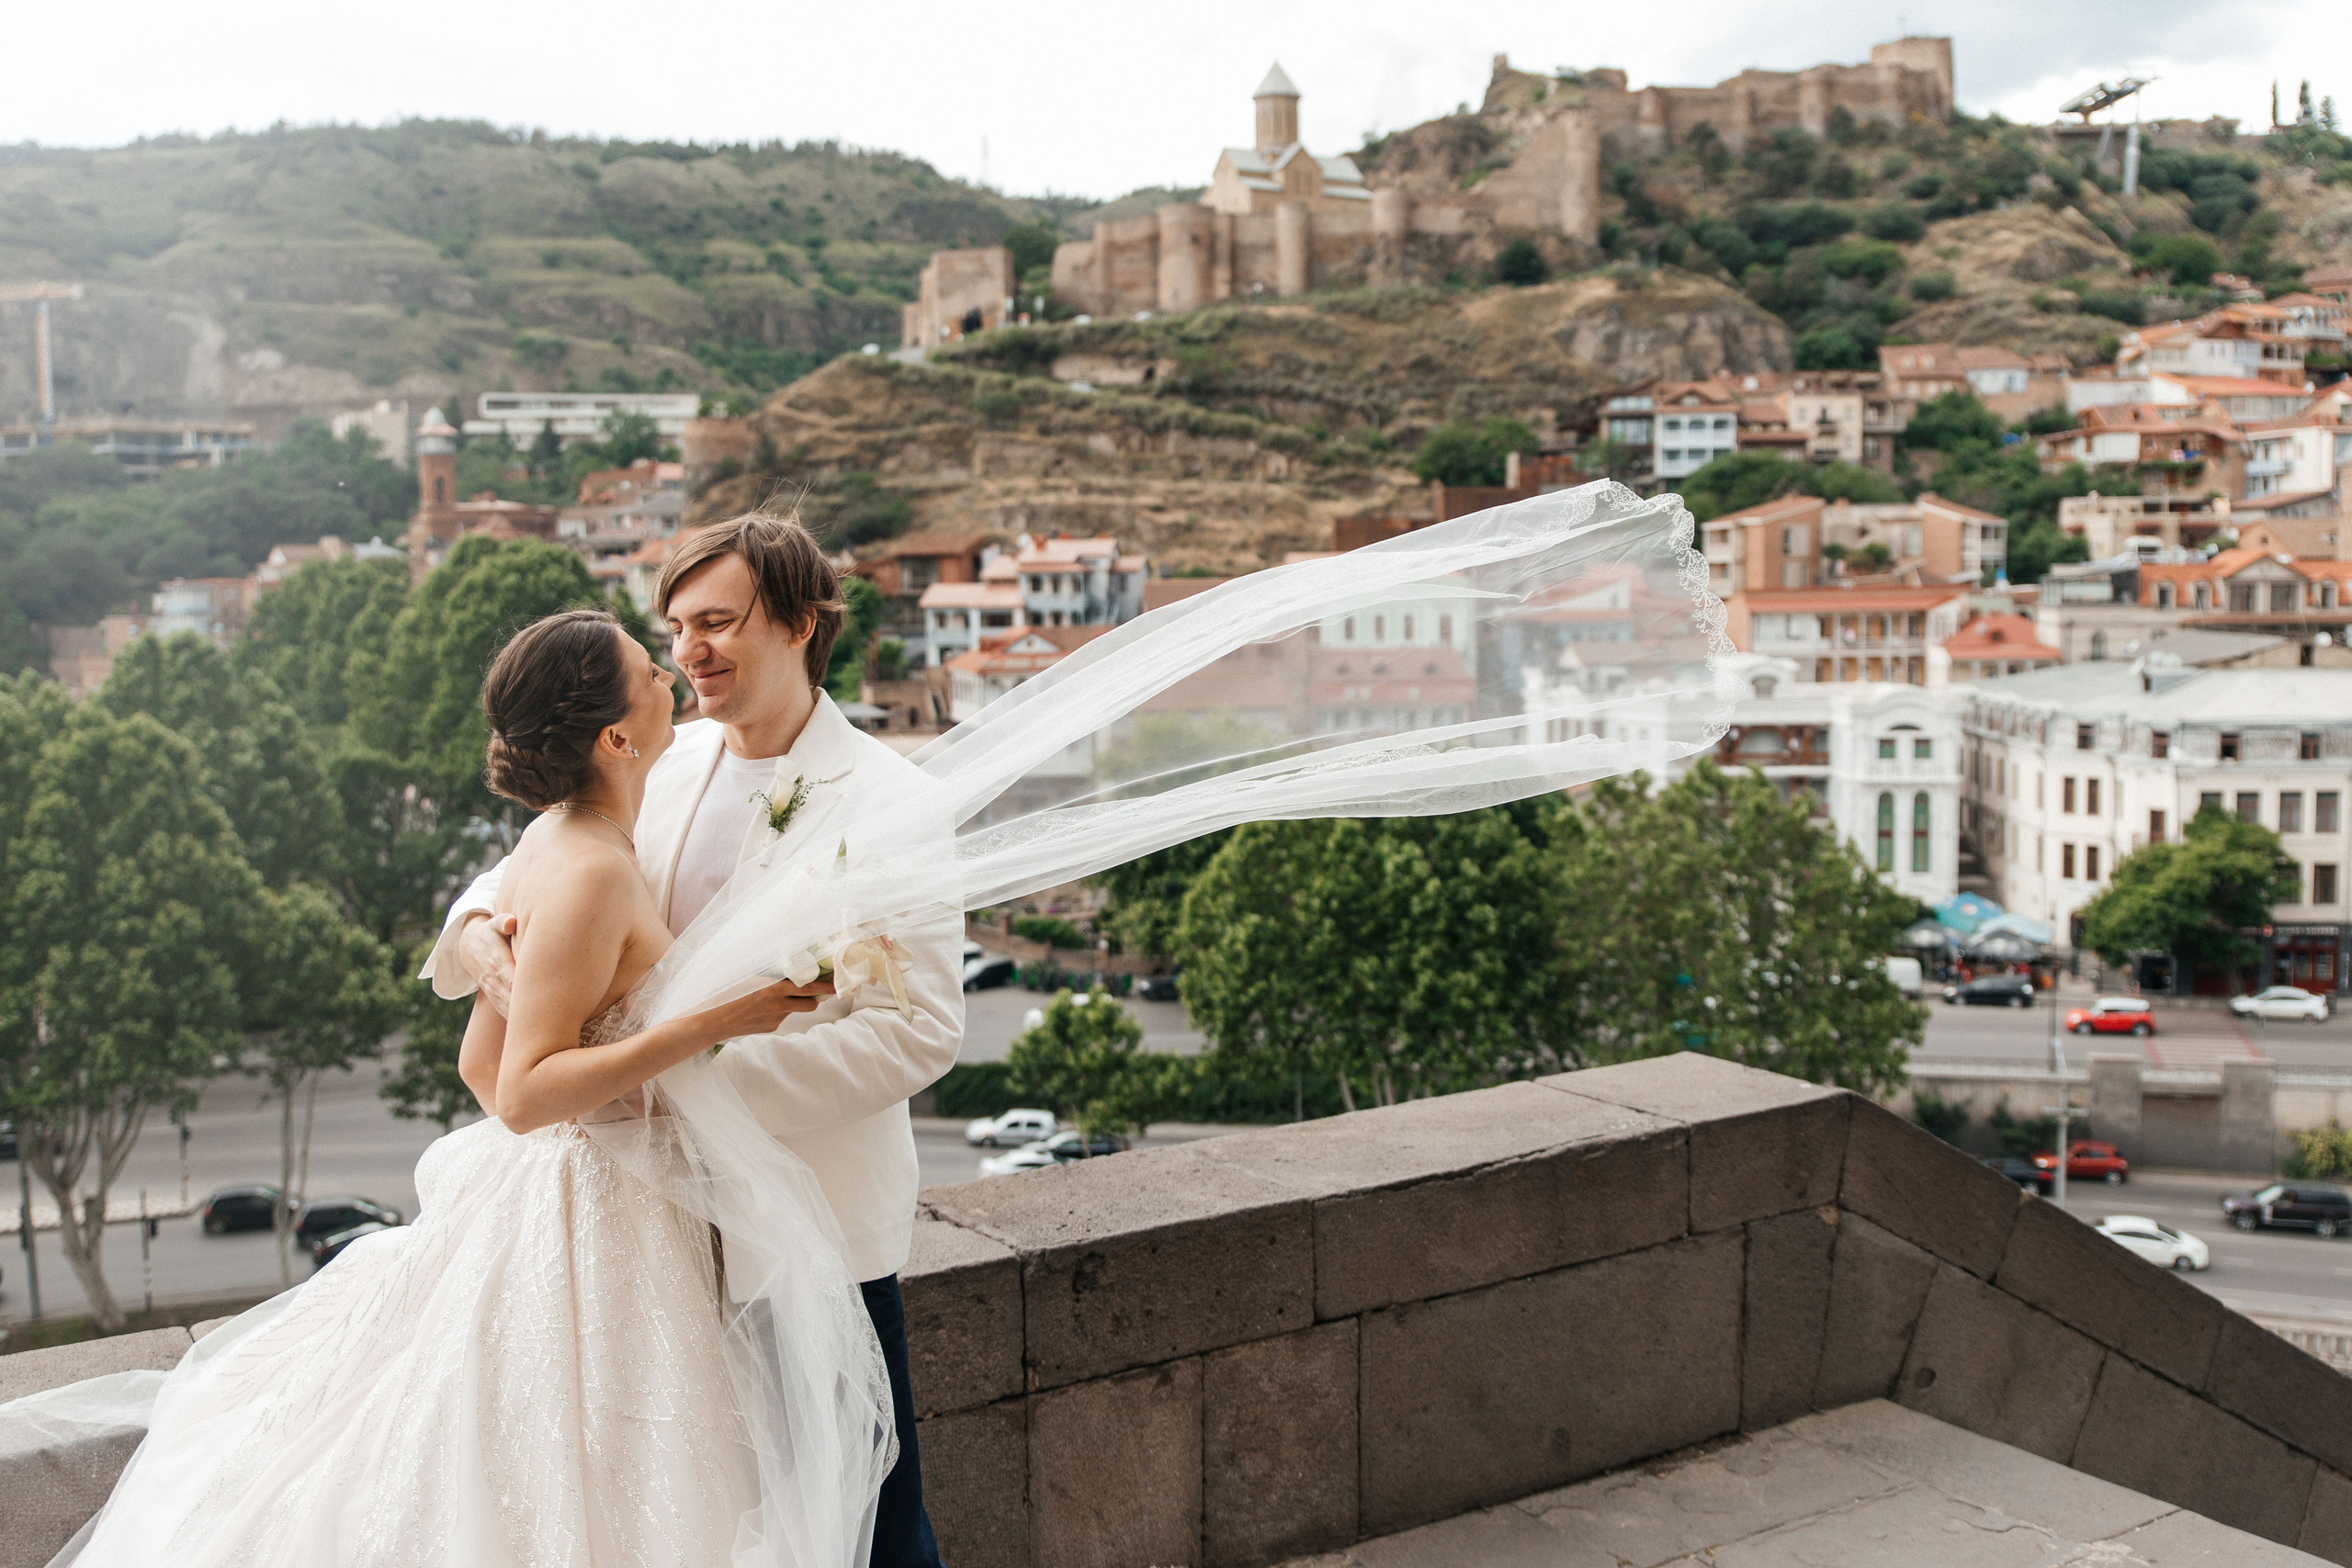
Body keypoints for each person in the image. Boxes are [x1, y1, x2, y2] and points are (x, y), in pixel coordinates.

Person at [55, 605, 890, 1564]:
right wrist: (708, 1024)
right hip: (607, 1213)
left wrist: (599, 1097)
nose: (669, 675)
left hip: (565, 1192)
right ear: (615, 739)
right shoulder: (591, 870)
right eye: (647, 670)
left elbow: (479, 1067)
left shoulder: (551, 840)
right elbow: (527, 1094)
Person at [422, 513, 962, 1567]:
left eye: (716, 623)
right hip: (639, 1234)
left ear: (800, 623)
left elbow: (919, 1032)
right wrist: (478, 927)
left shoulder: (895, 803)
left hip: (807, 1231)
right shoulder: (654, 754)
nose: (687, 652)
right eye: (673, 629)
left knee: (873, 1533)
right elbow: (543, 859)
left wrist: (696, 1092)